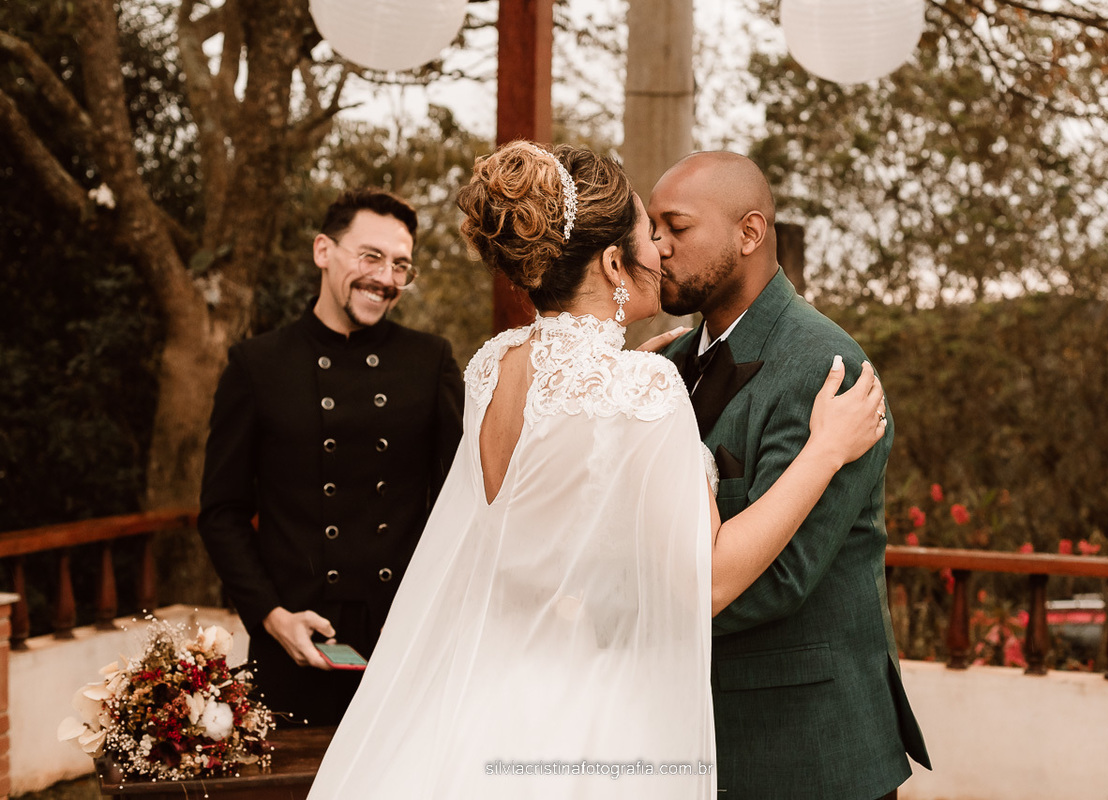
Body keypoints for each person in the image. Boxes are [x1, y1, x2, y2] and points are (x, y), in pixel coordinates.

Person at [309, 142, 887, 799]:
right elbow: (706, 583)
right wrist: (824, 452)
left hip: (493, 696)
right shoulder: (641, 388)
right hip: (589, 712)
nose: (662, 250)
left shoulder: (492, 366)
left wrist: (622, 365)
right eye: (651, 233)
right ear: (614, 261)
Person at [648, 151, 932, 800]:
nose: (656, 246)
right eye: (651, 227)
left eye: (676, 227)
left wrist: (634, 609)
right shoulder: (667, 364)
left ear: (749, 233)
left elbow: (781, 578)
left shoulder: (823, 364)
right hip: (697, 742)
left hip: (806, 750)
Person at [197, 188, 465, 726]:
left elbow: (462, 503)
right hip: (295, 646)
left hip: (405, 642)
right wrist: (272, 617)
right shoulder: (257, 366)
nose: (386, 278)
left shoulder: (429, 361)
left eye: (401, 265)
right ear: (324, 251)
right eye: (371, 257)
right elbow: (221, 513)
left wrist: (433, 612)